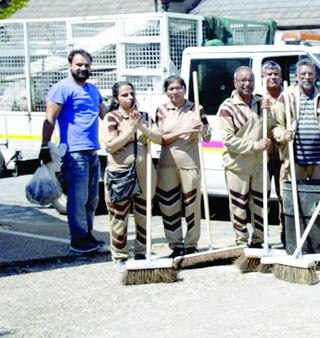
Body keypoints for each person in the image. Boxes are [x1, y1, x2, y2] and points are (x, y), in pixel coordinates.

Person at [41, 49, 107, 253]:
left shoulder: (93, 90)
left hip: (92, 150)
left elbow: (107, 116)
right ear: (70, 64)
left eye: (87, 65)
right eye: (79, 64)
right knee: (78, 199)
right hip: (73, 152)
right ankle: (78, 240)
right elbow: (50, 118)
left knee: (92, 199)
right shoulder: (62, 88)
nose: (83, 68)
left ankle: (87, 235)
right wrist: (44, 144)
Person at [102, 81, 162, 270]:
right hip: (120, 173)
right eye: (124, 95)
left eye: (131, 94)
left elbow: (158, 138)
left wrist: (142, 128)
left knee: (144, 214)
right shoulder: (111, 118)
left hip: (144, 172)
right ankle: (119, 255)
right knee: (119, 216)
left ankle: (141, 251)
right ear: (116, 98)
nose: (129, 98)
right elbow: (111, 145)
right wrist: (130, 130)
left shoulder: (144, 116)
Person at [155, 75, 209, 257]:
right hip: (167, 164)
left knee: (192, 205)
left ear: (184, 89)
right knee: (169, 205)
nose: (174, 92)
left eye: (178, 88)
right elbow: (160, 139)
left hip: (190, 163)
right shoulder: (161, 110)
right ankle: (175, 245)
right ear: (166, 92)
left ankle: (191, 243)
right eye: (170, 89)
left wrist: (202, 129)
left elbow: (208, 137)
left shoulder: (196, 108)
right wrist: (183, 131)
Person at [219, 66, 270, 247]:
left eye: (250, 80)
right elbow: (229, 140)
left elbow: (272, 127)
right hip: (237, 165)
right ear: (235, 83)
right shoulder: (227, 107)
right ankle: (241, 243)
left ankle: (259, 241)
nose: (247, 84)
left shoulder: (262, 103)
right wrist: (256, 146)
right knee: (239, 207)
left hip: (260, 165)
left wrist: (269, 112)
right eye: (243, 80)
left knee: (261, 205)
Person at [274, 60, 320, 182]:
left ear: (315, 76)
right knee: (297, 198)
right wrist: (283, 134)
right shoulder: (287, 97)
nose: (307, 77)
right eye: (303, 74)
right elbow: (276, 125)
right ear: (296, 76)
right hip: (295, 161)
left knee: (319, 198)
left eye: (310, 74)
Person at [260, 61, 285, 225]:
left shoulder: (289, 96)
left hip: (283, 155)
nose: (273, 77)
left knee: (284, 196)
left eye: (276, 74)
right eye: (269, 74)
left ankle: (286, 233)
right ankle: (262, 236)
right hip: (264, 156)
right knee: (262, 196)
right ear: (263, 77)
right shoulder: (257, 99)